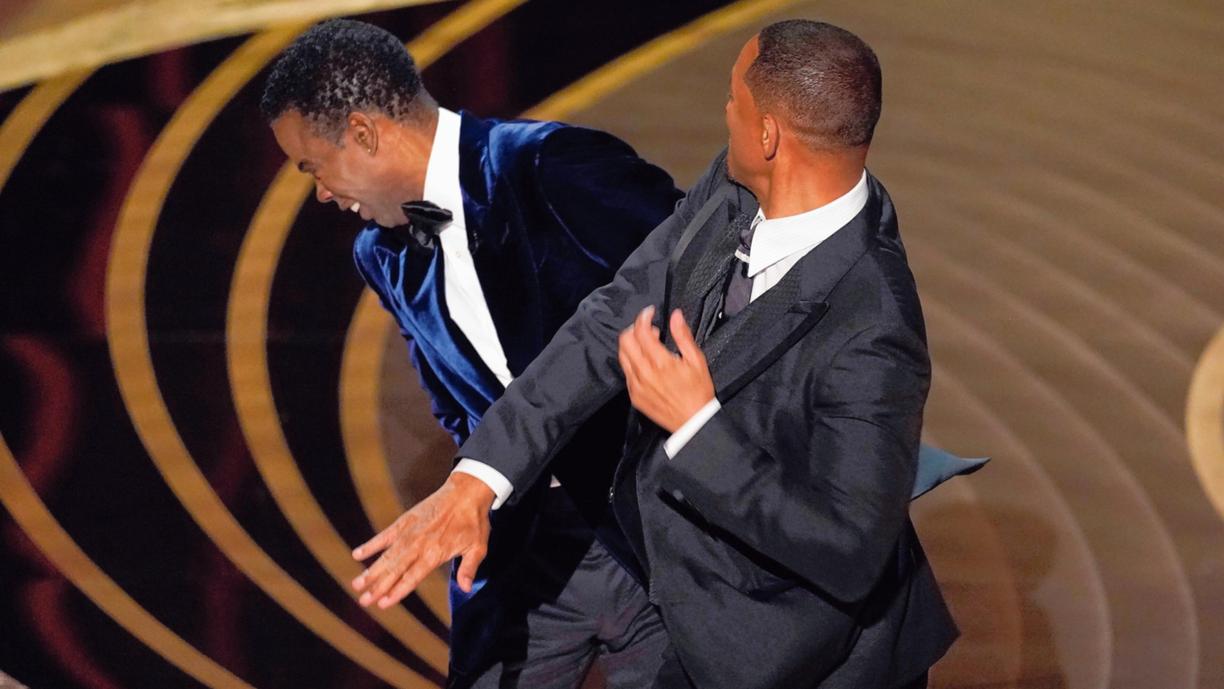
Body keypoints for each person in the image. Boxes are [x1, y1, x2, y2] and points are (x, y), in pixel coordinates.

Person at [349, 19, 969, 689]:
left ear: (768, 135)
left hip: (808, 659)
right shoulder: (736, 189)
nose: (724, 110)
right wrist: (481, 476)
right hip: (693, 616)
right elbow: (608, 320)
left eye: (735, 98)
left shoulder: (875, 324)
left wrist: (698, 426)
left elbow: (848, 550)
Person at [261, 19, 683, 689]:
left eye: (313, 167)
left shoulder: (551, 166)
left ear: (365, 135)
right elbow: (455, 401)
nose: (319, 192)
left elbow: (708, 291)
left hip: (657, 539)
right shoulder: (380, 254)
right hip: (522, 550)